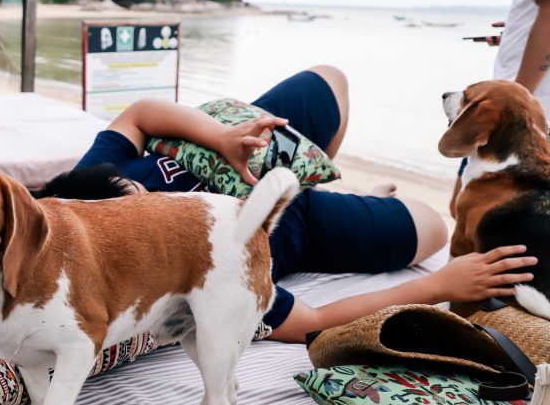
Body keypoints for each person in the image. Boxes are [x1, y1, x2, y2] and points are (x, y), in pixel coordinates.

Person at [42, 66, 537, 343]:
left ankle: (314, 174)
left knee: (331, 81)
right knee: (428, 224)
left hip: (244, 147)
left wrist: (222, 138)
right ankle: (334, 199)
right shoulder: (192, 279)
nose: (149, 200)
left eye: (137, 195)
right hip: (297, 222)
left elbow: (139, 115)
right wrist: (438, 285)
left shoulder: (91, 187)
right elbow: (312, 323)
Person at [454, 0, 550, 214]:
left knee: (469, 208)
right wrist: (517, 33)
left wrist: (516, 97)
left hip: (525, 110)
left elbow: (549, 15)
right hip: (536, 111)